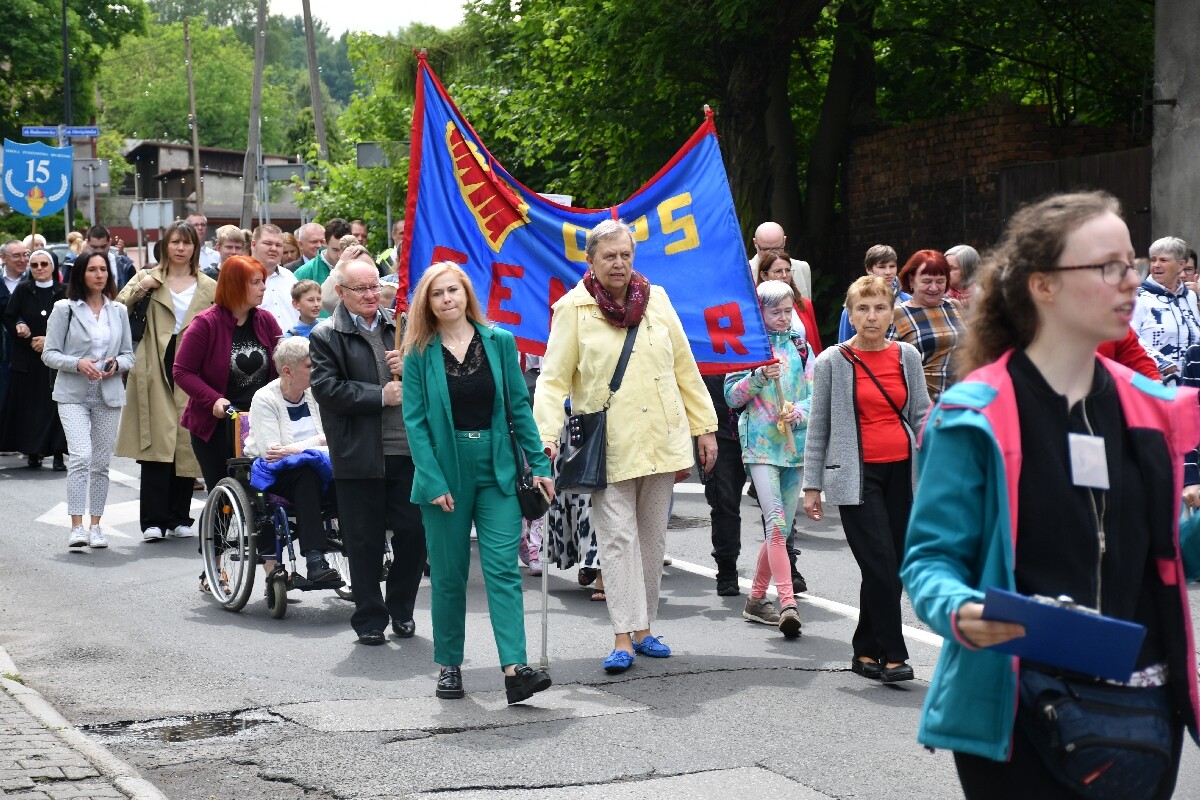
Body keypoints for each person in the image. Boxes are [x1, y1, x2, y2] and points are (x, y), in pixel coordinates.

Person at [902, 191, 1199, 798]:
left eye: (1133, 264)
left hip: (1141, 716)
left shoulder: (1151, 409)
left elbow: (1173, 555)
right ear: (1043, 285)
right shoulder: (973, 415)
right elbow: (930, 561)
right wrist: (962, 609)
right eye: (1108, 266)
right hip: (1018, 715)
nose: (1132, 281)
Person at [533, 218, 719, 674]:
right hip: (607, 445)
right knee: (617, 540)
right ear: (591, 260)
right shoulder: (573, 309)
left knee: (652, 540)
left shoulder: (658, 299)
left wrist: (705, 426)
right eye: (609, 256)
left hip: (661, 438)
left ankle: (644, 628)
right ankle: (622, 634)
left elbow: (684, 366)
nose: (618, 263)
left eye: (625, 255)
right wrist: (545, 438)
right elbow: (552, 381)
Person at [401, 261, 555, 702]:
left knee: (503, 570)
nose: (447, 298)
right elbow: (415, 423)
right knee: (449, 574)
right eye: (437, 293)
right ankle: (449, 664)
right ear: (427, 303)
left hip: (498, 468)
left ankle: (515, 669)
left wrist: (540, 465)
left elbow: (519, 407)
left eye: (453, 290)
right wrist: (432, 480)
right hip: (444, 472)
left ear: (467, 293)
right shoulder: (419, 352)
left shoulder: (499, 341)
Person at [803, 275, 930, 683]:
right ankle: (894, 654)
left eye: (879, 308)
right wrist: (811, 485)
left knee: (890, 566)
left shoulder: (907, 356)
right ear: (850, 314)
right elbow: (818, 427)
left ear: (892, 314)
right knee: (881, 564)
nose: (871, 316)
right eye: (863, 308)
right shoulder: (831, 362)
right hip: (855, 476)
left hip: (904, 474)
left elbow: (922, 415)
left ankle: (864, 649)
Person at [309, 259, 427, 646]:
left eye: (375, 286)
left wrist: (411, 368)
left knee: (414, 533)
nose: (371, 295)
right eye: (361, 289)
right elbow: (327, 389)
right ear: (340, 292)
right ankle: (370, 618)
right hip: (358, 453)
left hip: (408, 451)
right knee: (364, 541)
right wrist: (380, 395)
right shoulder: (326, 334)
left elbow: (434, 378)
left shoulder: (404, 326)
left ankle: (402, 607)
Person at [115, 220, 216, 541]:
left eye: (187, 243)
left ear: (195, 247)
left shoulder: (208, 285)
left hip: (194, 364)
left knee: (186, 441)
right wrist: (143, 286)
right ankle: (153, 520)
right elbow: (117, 308)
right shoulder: (149, 278)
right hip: (154, 362)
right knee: (156, 444)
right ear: (165, 246)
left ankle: (179, 516)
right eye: (175, 242)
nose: (181, 248)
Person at [723, 280, 812, 637]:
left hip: (794, 446)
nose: (783, 317)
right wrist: (758, 376)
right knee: (775, 524)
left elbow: (814, 396)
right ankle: (788, 603)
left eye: (788, 311)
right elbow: (732, 396)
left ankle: (756, 598)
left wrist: (798, 413)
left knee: (782, 528)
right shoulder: (746, 347)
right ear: (759, 312)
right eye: (775, 311)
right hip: (760, 446)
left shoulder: (800, 346)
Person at [41, 249, 134, 549]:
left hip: (108, 392)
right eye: (92, 269)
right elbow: (49, 354)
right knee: (81, 456)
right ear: (81, 274)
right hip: (73, 393)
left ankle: (96, 526)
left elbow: (129, 355)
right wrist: (78, 363)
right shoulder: (64, 308)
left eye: (103, 269)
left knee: (101, 464)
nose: (99, 275)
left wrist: (116, 364)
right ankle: (76, 526)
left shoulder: (118, 310)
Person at [174, 254, 281, 497]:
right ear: (235, 285)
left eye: (263, 281)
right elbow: (182, 371)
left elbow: (281, 361)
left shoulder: (265, 321)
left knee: (260, 495)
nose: (264, 287)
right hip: (218, 424)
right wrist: (214, 399)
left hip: (260, 420)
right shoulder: (205, 324)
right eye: (256, 282)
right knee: (224, 495)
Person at [243, 336, 339, 583]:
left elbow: (333, 436)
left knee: (350, 475)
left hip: (321, 464)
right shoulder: (265, 398)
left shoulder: (316, 393)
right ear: (288, 371)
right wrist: (318, 442)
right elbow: (272, 452)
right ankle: (315, 559)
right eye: (309, 366)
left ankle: (361, 553)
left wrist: (296, 448)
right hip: (277, 473)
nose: (317, 370)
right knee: (305, 474)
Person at [0, 250, 68, 470]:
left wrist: (49, 341)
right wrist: (22, 331)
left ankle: (58, 453)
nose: (40, 268)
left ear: (52, 266)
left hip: (56, 360)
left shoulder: (65, 291)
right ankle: (32, 451)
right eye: (35, 264)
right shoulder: (23, 289)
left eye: (44, 264)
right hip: (28, 358)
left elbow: (74, 323)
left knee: (55, 409)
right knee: (30, 409)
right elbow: (9, 317)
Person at [890, 249, 966, 401]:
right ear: (911, 280)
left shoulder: (954, 306)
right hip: (926, 404)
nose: (934, 288)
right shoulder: (896, 315)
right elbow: (889, 367)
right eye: (926, 281)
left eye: (940, 281)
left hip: (964, 398)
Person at [1131, 236, 1200, 382]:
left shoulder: (1191, 297)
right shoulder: (1137, 297)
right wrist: (1160, 361)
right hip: (1154, 383)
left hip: (1191, 386)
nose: (1156, 265)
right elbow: (1129, 337)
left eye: (1163, 260)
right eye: (1153, 260)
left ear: (1180, 265)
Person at [755, 248, 823, 354]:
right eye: (778, 271)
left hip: (804, 362)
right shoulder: (755, 307)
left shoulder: (804, 304)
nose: (784, 275)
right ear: (764, 275)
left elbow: (815, 344)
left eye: (787, 270)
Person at [838, 244, 911, 342]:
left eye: (892, 266)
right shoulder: (855, 304)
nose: (888, 272)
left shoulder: (907, 301)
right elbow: (845, 343)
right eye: (882, 267)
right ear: (869, 269)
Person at [249, 225, 299, 332]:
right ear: (253, 244)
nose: (274, 249)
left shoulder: (289, 276)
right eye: (268, 243)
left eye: (278, 245)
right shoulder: (241, 277)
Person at [0, 240, 31, 407]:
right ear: (3, 258)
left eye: (25, 255)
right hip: (3, 349)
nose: (22, 259)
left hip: (30, 347)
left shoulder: (34, 278)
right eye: (16, 255)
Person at [750, 221, 812, 299]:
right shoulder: (743, 272)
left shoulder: (802, 268)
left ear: (784, 241)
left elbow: (807, 304)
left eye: (777, 248)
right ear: (755, 243)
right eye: (765, 249)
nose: (771, 254)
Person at [944, 243, 980, 313]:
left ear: (968, 270)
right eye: (944, 267)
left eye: (952, 268)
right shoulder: (939, 293)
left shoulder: (981, 297)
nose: (945, 272)